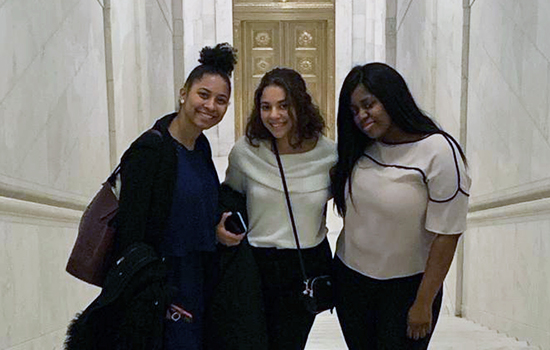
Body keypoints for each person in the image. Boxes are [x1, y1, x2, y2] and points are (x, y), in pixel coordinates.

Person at [330, 62, 471, 349]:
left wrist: (423, 302)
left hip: (406, 290)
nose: (362, 117)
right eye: (354, 110)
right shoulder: (360, 147)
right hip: (351, 283)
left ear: (392, 96)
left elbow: (448, 234)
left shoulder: (439, 152)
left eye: (368, 104)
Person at [112, 43, 237, 349]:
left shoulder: (201, 147)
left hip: (196, 278)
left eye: (221, 100)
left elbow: (193, 208)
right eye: (203, 95)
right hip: (161, 285)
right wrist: (147, 291)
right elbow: (130, 230)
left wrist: (216, 231)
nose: (210, 106)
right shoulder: (150, 150)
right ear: (184, 94)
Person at [216, 67, 336, 350]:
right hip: (255, 267)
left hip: (304, 267)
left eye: (284, 105)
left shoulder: (329, 155)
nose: (274, 115)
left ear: (300, 105)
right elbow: (228, 197)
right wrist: (219, 229)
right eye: (266, 107)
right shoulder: (246, 151)